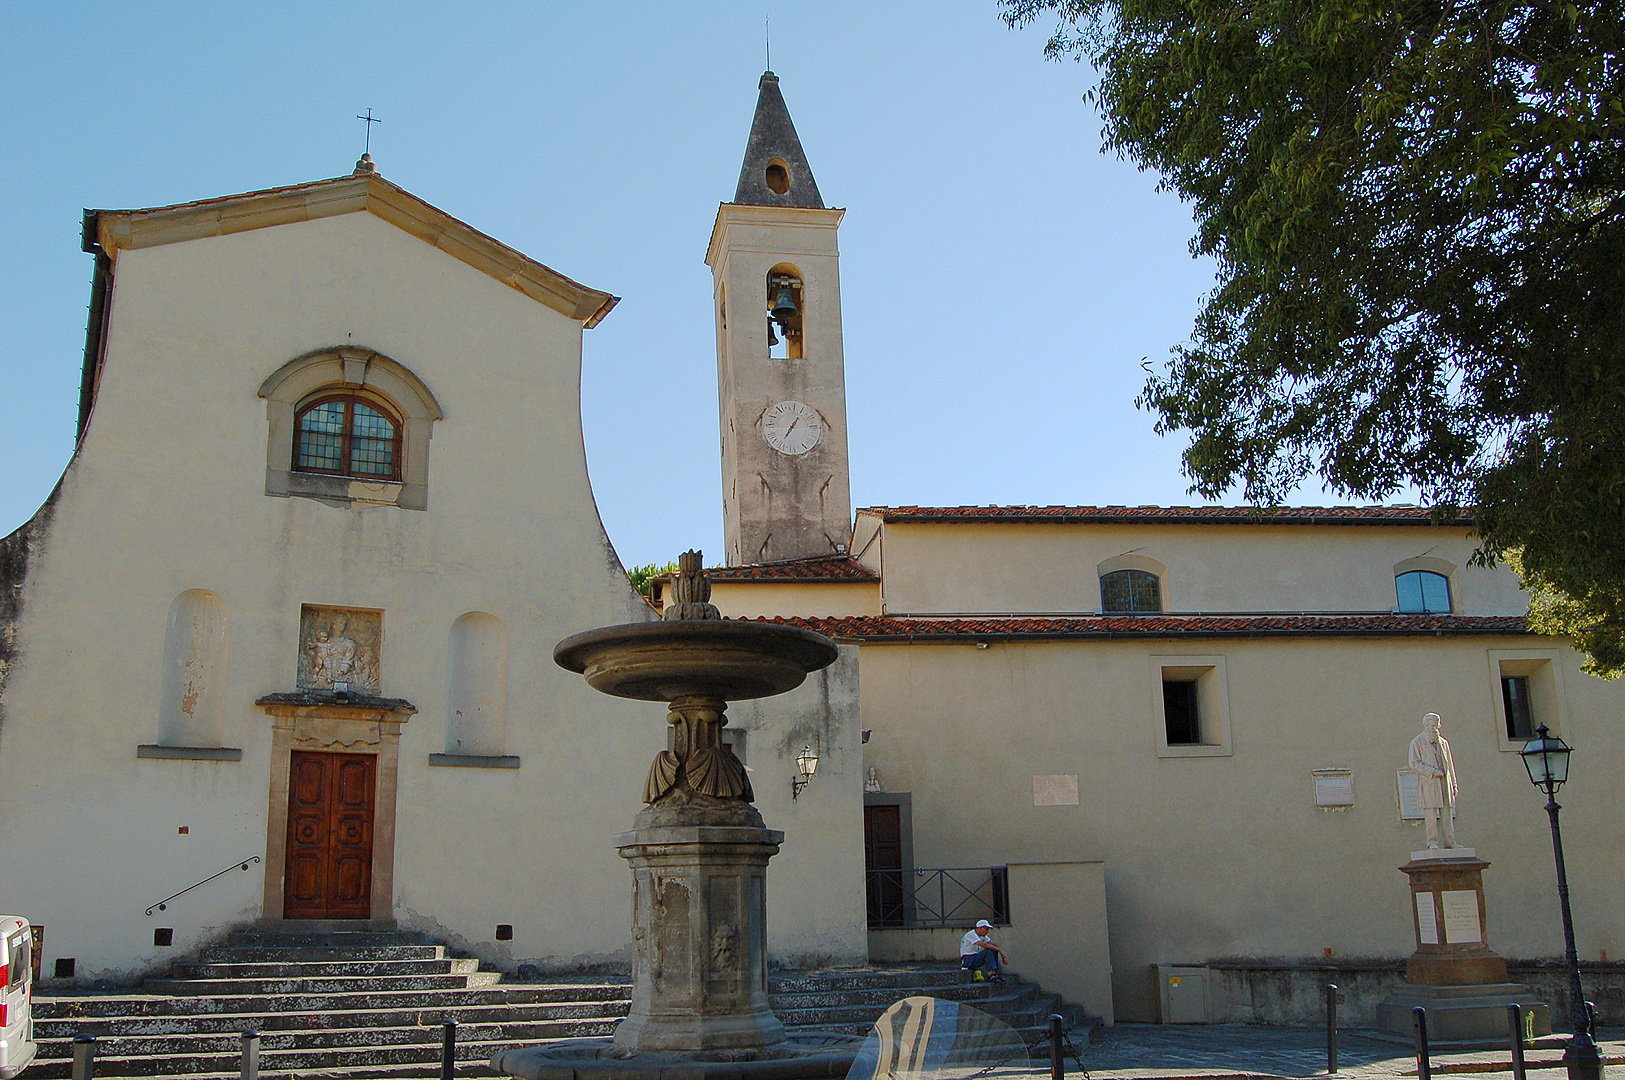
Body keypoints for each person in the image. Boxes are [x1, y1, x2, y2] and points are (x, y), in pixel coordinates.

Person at [1409, 712, 1460, 848]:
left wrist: (1453, 784)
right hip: (1429, 782)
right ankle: (1432, 842)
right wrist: (1432, 772)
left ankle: (1450, 841)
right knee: (1430, 812)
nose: (1434, 728)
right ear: (1425, 725)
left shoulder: (1443, 743)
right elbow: (1414, 763)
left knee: (1447, 812)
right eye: (1432, 725)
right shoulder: (1417, 742)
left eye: (1436, 725)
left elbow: (1450, 764)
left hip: (1444, 782)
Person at [960, 919, 1007, 984]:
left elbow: (992, 944)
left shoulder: (982, 936)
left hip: (975, 958)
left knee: (993, 950)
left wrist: (1002, 954)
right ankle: (990, 974)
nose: (987, 932)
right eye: (986, 929)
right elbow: (984, 945)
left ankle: (994, 973)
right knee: (987, 952)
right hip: (968, 960)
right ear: (980, 928)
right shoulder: (971, 935)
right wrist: (1000, 951)